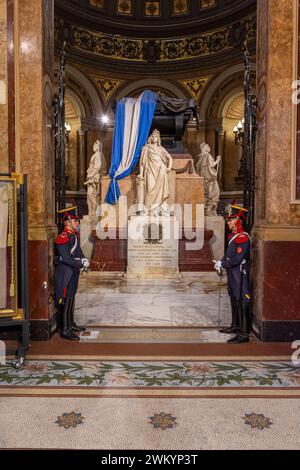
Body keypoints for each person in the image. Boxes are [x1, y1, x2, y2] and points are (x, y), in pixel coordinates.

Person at [213, 203, 251, 344]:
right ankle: (235, 325)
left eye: (230, 219)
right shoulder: (233, 236)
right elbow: (229, 255)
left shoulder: (243, 237)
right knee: (233, 296)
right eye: (228, 220)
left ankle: (244, 333)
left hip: (240, 273)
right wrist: (220, 262)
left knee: (242, 299)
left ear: (238, 221)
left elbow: (238, 258)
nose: (228, 222)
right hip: (233, 272)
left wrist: (224, 264)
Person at [54, 206, 90, 340]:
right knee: (66, 298)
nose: (78, 223)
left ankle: (71, 323)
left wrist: (84, 260)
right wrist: (80, 263)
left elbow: (77, 252)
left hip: (73, 270)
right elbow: (66, 258)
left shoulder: (73, 236)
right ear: (68, 222)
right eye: (75, 221)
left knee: (72, 296)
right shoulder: (63, 237)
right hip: (66, 271)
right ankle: (65, 329)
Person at [136, 129, 173, 215]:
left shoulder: (161, 149)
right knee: (150, 189)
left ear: (158, 138)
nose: (154, 137)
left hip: (161, 171)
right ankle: (147, 209)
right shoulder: (146, 148)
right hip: (150, 171)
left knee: (161, 191)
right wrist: (141, 174)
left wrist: (169, 167)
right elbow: (142, 163)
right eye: (153, 136)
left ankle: (158, 209)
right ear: (150, 137)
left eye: (156, 136)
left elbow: (169, 158)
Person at [196, 142, 221, 216]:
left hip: (205, 180)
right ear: (205, 148)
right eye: (208, 146)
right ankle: (210, 211)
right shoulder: (207, 156)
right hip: (210, 179)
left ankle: (208, 210)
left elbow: (198, 168)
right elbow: (211, 165)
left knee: (207, 194)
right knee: (215, 194)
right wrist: (218, 160)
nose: (209, 147)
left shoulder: (201, 157)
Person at [84, 140, 107, 215]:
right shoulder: (99, 154)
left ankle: (94, 212)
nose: (93, 147)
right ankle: (93, 211)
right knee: (93, 195)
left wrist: (92, 175)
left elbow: (98, 166)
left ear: (98, 147)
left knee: (91, 194)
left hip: (94, 178)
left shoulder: (98, 154)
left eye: (94, 145)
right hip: (94, 178)